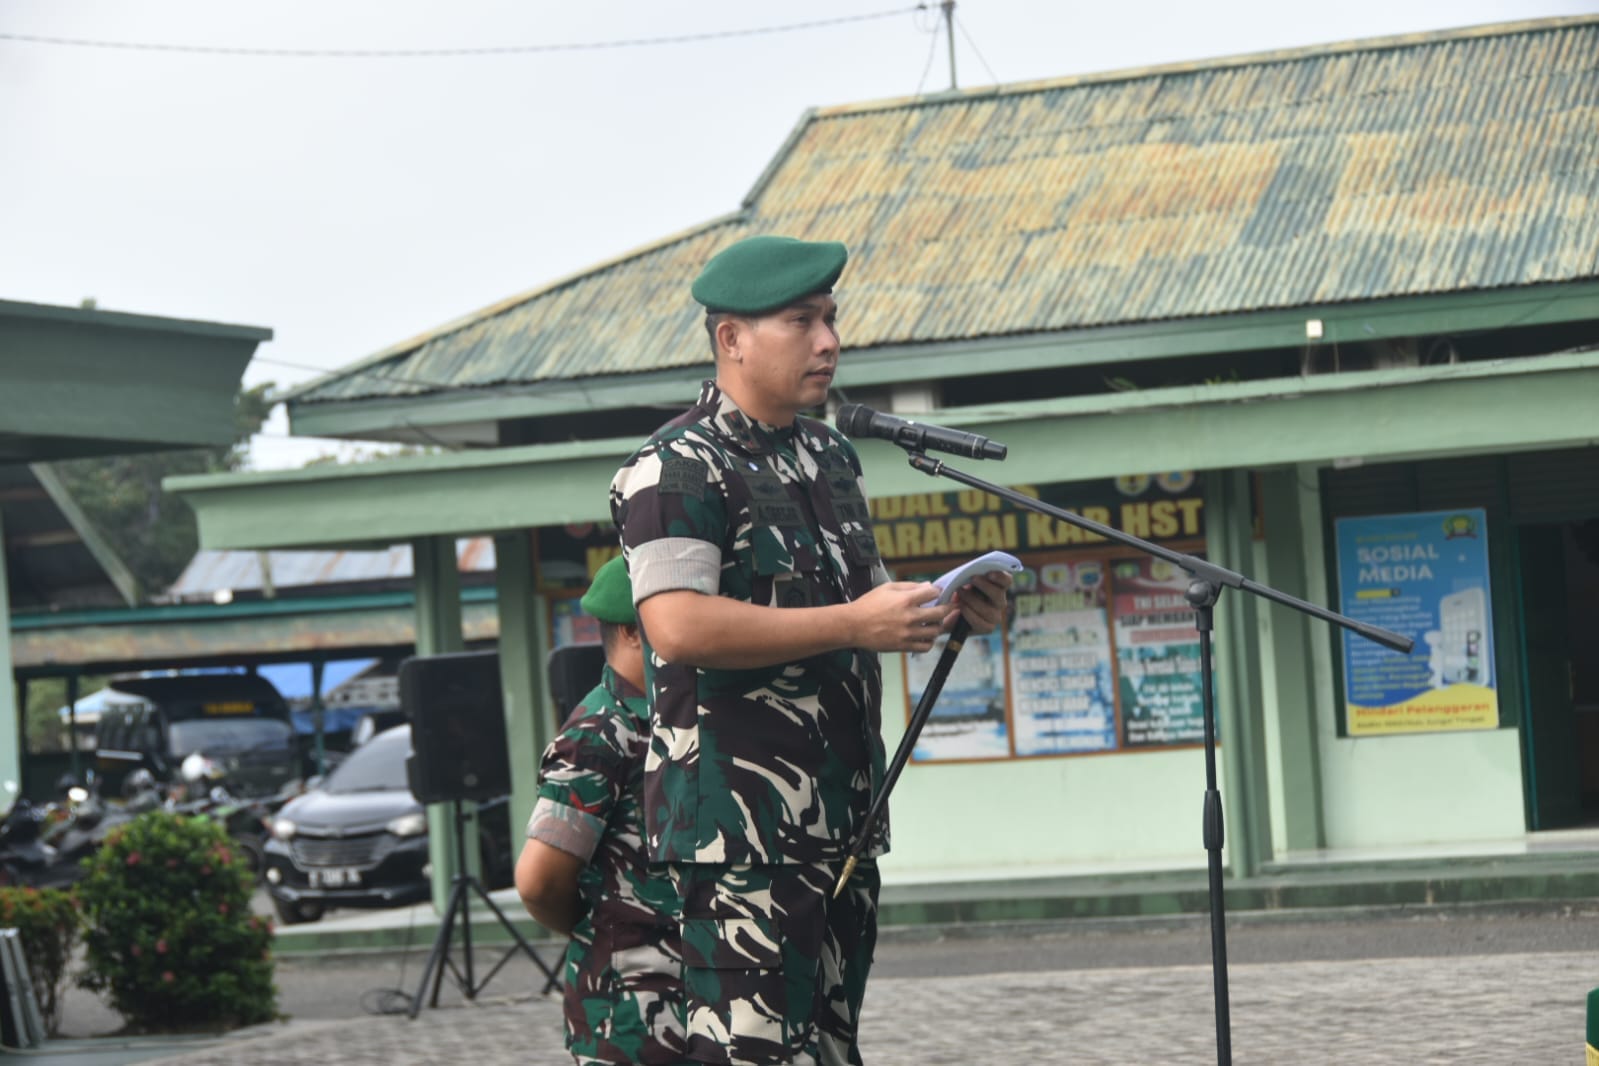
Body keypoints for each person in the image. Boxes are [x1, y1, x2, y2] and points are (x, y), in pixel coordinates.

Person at [609, 235, 1010, 1065]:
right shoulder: (676, 467)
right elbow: (677, 626)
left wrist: (950, 611)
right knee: (751, 1055)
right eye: (802, 320)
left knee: (831, 1053)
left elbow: (868, 608)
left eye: (830, 318)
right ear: (731, 340)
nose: (829, 340)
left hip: (841, 822)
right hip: (737, 840)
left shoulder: (828, 456)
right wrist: (851, 624)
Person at [516, 554, 687, 1065]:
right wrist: (609, 928)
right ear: (633, 632)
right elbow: (539, 883)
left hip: (692, 1003)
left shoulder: (672, 718)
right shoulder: (598, 733)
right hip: (629, 1016)